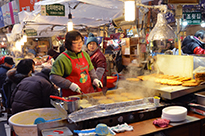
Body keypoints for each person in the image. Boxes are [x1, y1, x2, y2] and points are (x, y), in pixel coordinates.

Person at [50, 31, 102, 97]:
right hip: (72, 97)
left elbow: (90, 69)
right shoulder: (62, 59)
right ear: (69, 44)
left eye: (80, 42)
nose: (79, 45)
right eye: (75, 43)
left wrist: (95, 79)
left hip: (88, 93)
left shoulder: (85, 54)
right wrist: (70, 85)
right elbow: (54, 77)